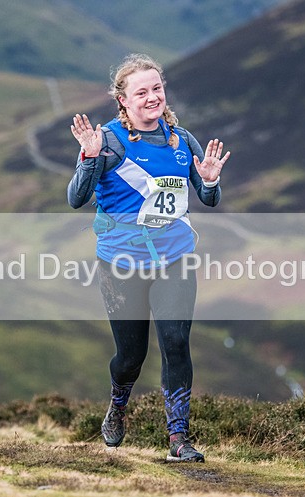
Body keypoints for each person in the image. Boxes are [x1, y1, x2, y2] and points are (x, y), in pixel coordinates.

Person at [67, 53, 230, 463]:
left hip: (175, 257)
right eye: (142, 92)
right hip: (121, 263)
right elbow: (75, 199)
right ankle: (118, 404)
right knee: (130, 356)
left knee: (176, 343)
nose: (152, 97)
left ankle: (179, 439)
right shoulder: (106, 141)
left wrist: (209, 182)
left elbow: (207, 199)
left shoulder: (181, 140)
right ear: (123, 100)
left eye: (157, 88)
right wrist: (88, 159)